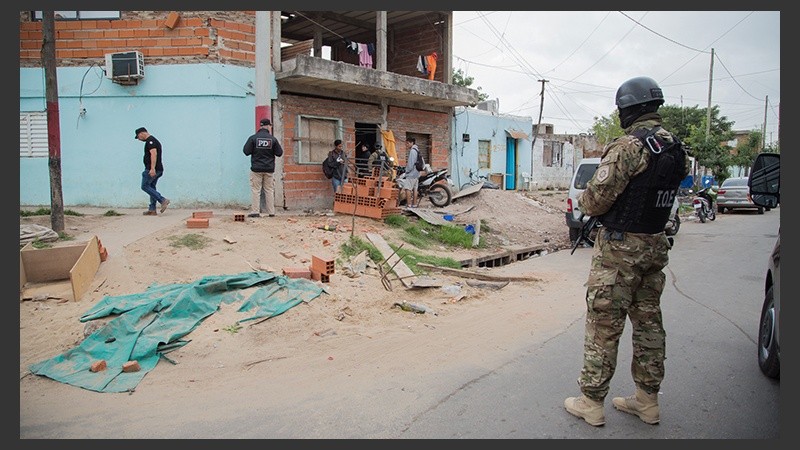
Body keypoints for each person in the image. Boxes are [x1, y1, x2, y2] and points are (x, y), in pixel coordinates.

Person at [563, 76, 690, 427]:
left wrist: (592, 199)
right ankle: (648, 402)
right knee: (649, 322)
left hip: (620, 250)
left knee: (604, 323)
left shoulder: (629, 147)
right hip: (654, 245)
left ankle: (591, 401)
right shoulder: (676, 148)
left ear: (628, 109)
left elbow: (595, 200)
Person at [242, 118, 283, 218]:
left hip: (256, 169)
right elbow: (279, 153)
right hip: (269, 169)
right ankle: (271, 212)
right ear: (268, 126)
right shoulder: (273, 139)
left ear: (260, 126)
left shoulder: (253, 138)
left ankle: (255, 211)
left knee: (256, 190)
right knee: (269, 190)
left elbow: (246, 151)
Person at [135, 127, 170, 216]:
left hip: (153, 169)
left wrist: (152, 168)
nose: (139, 139)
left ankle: (162, 200)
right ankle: (152, 209)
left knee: (145, 186)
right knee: (151, 187)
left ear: (142, 133)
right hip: (156, 168)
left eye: (138, 137)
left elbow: (153, 154)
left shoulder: (151, 141)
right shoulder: (151, 141)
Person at [399, 136, 421, 206]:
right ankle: (414, 205)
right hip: (417, 173)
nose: (407, 145)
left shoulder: (412, 151)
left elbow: (410, 164)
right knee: (415, 189)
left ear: (412, 143)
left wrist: (406, 171)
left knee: (407, 189)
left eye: (408, 143)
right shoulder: (417, 150)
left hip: (411, 174)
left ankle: (409, 205)